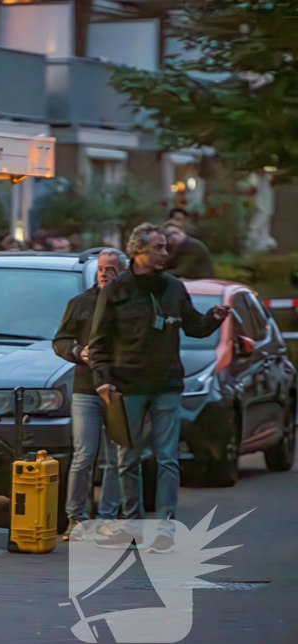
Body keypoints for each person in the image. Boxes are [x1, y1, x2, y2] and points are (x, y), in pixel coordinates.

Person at [89, 224, 230, 553]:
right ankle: (133, 523)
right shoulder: (116, 290)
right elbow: (98, 343)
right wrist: (104, 381)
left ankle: (166, 526)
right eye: (159, 248)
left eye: (166, 248)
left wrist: (214, 317)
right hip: (127, 385)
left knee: (168, 458)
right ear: (139, 251)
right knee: (127, 459)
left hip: (166, 383)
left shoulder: (173, 287)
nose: (165, 254)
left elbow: (193, 327)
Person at [53, 249, 126, 540]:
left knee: (115, 457)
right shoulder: (81, 303)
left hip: (120, 389)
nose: (104, 273)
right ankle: (76, 518)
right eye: (101, 268)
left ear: (123, 271)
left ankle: (107, 518)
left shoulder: (130, 304)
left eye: (111, 268)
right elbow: (59, 340)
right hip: (86, 388)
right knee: (83, 455)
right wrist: (75, 351)